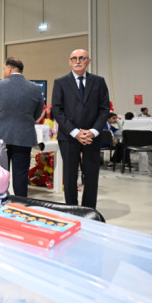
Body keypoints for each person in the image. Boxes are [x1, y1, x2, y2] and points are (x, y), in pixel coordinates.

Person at [52, 49, 109, 208]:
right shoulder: (60, 82)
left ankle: (88, 209)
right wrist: (75, 132)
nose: (78, 61)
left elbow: (104, 109)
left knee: (91, 174)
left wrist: (94, 131)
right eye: (74, 58)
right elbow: (57, 110)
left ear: (88, 61)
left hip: (92, 136)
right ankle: (72, 209)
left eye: (82, 58)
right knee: (70, 175)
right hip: (69, 136)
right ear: (70, 62)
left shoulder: (98, 82)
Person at [0, 57, 44, 197]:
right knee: (21, 175)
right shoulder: (35, 88)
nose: (3, 72)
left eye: (4, 69)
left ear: (9, 68)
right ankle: (20, 205)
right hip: (23, 137)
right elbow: (37, 114)